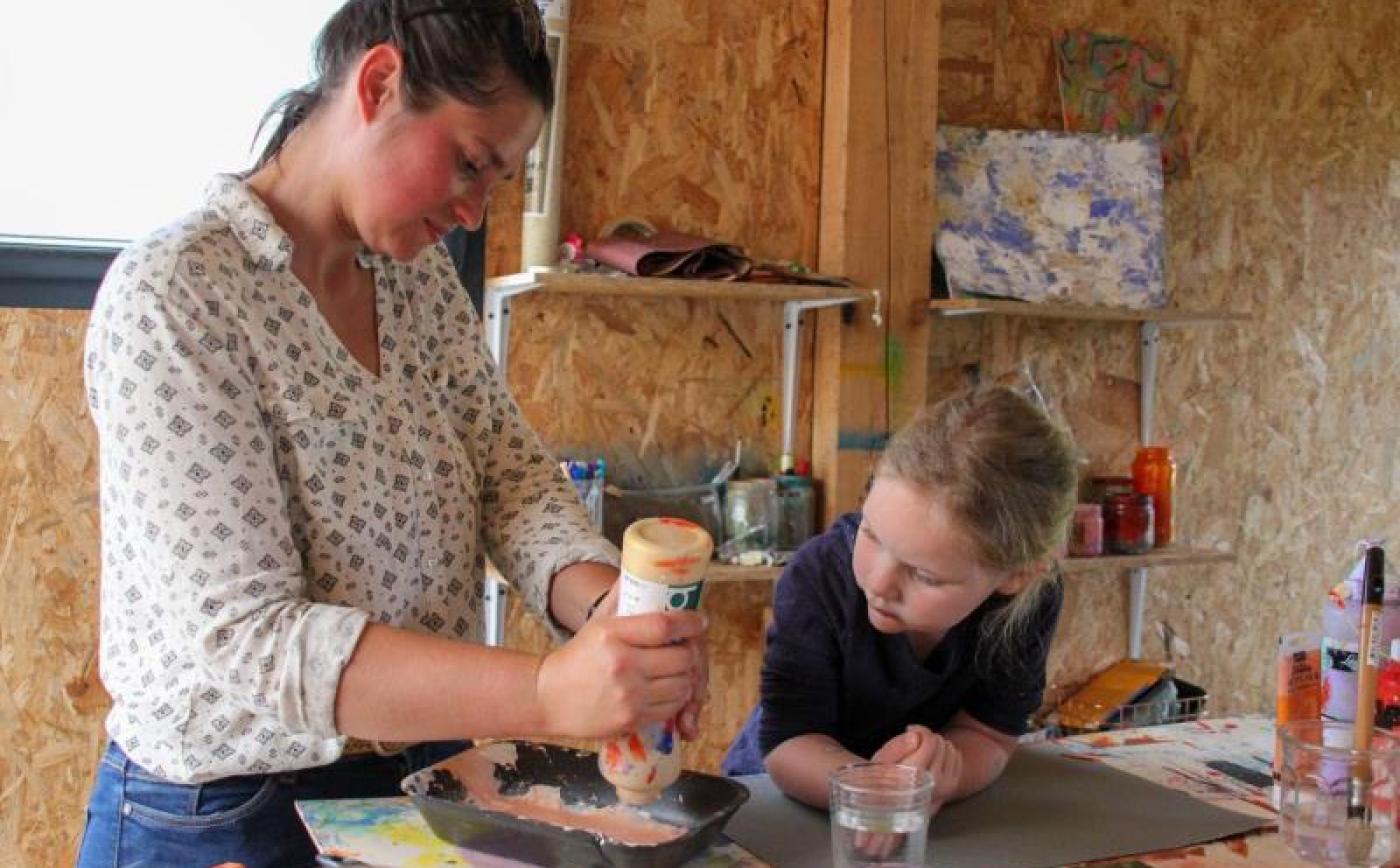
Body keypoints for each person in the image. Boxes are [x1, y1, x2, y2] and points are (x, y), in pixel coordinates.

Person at [76, 2, 706, 865]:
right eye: (471, 164)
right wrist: (551, 695)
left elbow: (508, 479)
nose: (477, 213)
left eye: (499, 183)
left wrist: (617, 619)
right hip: (223, 814)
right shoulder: (177, 296)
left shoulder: (416, 285)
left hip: (417, 779)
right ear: (378, 84)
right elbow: (256, 640)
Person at [722, 385, 1077, 813]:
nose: (879, 581)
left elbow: (990, 734)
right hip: (776, 799)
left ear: (1017, 575)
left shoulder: (1029, 604)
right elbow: (789, 741)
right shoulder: (819, 577)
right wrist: (872, 793)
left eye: (923, 574)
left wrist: (950, 773)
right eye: (871, 533)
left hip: (918, 814)